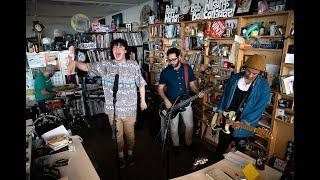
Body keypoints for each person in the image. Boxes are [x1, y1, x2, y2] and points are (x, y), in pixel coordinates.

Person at [67, 38, 148, 168]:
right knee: (117, 136)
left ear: (125, 50)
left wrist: (142, 101)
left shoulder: (133, 65)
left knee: (130, 135)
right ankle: (121, 156)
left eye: (121, 47)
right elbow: (87, 67)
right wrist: (75, 62)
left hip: (130, 109)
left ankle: (130, 152)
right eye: (115, 47)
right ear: (112, 50)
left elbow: (141, 84)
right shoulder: (105, 65)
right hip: (113, 110)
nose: (117, 49)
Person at [213, 54, 271, 161]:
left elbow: (259, 109)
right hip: (226, 120)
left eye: (255, 73)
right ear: (245, 67)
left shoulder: (264, 87)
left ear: (260, 72)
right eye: (248, 71)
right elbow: (225, 95)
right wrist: (220, 112)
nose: (250, 75)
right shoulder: (235, 78)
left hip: (242, 126)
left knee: (240, 156)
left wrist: (245, 122)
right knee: (219, 150)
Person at [158, 47, 204, 153]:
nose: (172, 62)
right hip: (172, 104)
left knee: (190, 125)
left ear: (179, 57)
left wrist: (198, 93)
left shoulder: (187, 69)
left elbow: (192, 85)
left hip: (186, 102)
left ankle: (188, 143)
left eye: (174, 59)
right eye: (169, 60)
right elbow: (160, 89)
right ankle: (176, 145)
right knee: (173, 127)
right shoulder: (165, 72)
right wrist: (165, 100)